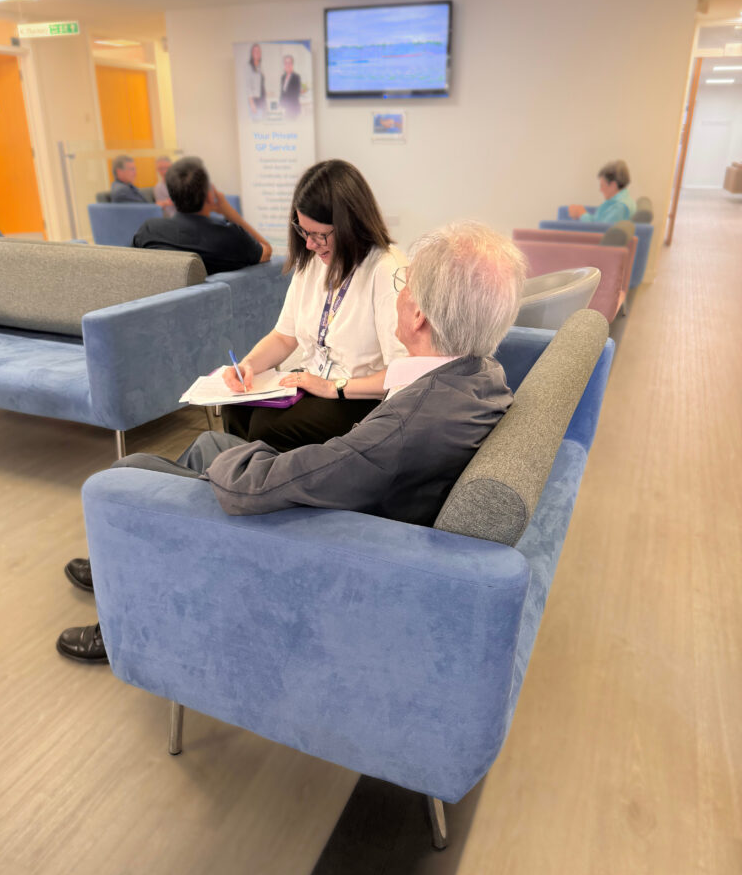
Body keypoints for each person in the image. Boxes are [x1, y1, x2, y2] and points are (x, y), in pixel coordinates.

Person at [56, 220, 527, 662]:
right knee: (207, 449)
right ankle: (125, 563)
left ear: (419, 316)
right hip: (351, 490)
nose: (398, 295)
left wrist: (246, 462)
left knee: (126, 475)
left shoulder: (412, 423)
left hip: (328, 537)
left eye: (405, 288)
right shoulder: (482, 373)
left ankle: (124, 625)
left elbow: (256, 488)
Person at [220, 159, 408, 453]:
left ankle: (270, 488)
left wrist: (333, 388)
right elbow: (284, 336)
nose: (309, 245)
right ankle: (241, 484)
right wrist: (248, 366)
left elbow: (402, 373)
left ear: (351, 224)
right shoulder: (313, 263)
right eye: (303, 232)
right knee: (236, 408)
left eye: (319, 235)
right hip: (312, 382)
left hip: (360, 395)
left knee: (266, 428)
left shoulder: (386, 269)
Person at [132, 156, 272, 273]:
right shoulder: (231, 236)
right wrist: (232, 215)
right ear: (209, 195)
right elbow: (267, 251)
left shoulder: (149, 230)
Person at [567, 160, 636, 223]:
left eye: (602, 185)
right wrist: (581, 213)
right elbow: (599, 222)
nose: (600, 190)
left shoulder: (620, 207)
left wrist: (582, 214)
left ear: (613, 185)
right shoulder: (620, 202)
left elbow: (600, 230)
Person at [246, 43, 266, 117]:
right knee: (257, 122)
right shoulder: (248, 67)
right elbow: (248, 87)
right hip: (255, 102)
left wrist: (267, 93)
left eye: (258, 51)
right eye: (255, 51)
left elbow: (261, 85)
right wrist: (252, 104)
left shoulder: (259, 67)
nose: (257, 53)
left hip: (262, 100)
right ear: (252, 53)